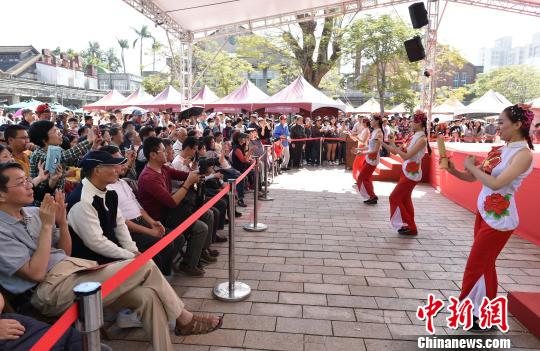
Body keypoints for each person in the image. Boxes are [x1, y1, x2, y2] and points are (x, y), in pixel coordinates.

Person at [0, 163, 222, 351]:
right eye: (20, 183)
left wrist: (61, 223)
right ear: (1, 194)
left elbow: (65, 251)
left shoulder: (32, 213)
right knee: (143, 264)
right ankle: (184, 319)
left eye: (28, 179)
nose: (30, 185)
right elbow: (37, 274)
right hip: (49, 291)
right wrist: (49, 225)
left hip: (74, 270)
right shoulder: (3, 229)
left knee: (147, 296)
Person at [444, 104, 534, 331]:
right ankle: (486, 313)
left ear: (517, 125)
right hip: (485, 213)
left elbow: (496, 183)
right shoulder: (501, 150)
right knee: (485, 266)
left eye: (502, 122)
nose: (498, 127)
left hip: (500, 219)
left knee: (475, 265)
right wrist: (454, 170)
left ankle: (469, 312)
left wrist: (471, 167)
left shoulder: (523, 155)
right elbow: (475, 179)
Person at [138, 137, 212, 276]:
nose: (167, 153)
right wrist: (188, 183)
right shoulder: (149, 177)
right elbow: (171, 202)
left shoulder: (163, 168)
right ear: (153, 155)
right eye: (163, 150)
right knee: (201, 228)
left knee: (206, 214)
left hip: (171, 212)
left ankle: (199, 253)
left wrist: (200, 172)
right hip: (161, 218)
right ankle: (189, 264)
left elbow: (183, 175)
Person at [381, 111, 431, 236]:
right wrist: (387, 142)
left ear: (419, 123)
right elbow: (399, 152)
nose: (410, 123)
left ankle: (409, 224)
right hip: (408, 171)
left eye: (413, 121)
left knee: (394, 197)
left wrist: (395, 148)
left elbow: (406, 155)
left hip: (411, 173)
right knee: (405, 199)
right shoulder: (414, 136)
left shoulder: (422, 139)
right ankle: (410, 226)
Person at [29, 121, 97, 206]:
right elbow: (61, 158)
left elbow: (77, 162)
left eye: (58, 131)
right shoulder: (38, 154)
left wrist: (93, 147)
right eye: (55, 131)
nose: (60, 134)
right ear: (43, 139)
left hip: (57, 198)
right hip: (42, 203)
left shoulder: (57, 149)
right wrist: (88, 141)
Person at [356, 116, 382, 205]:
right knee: (366, 178)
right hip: (369, 158)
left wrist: (362, 153)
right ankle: (372, 196)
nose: (370, 122)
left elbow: (376, 150)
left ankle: (372, 196)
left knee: (362, 178)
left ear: (377, 121)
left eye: (372, 120)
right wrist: (359, 149)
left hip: (373, 159)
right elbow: (370, 146)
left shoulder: (379, 133)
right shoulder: (374, 131)